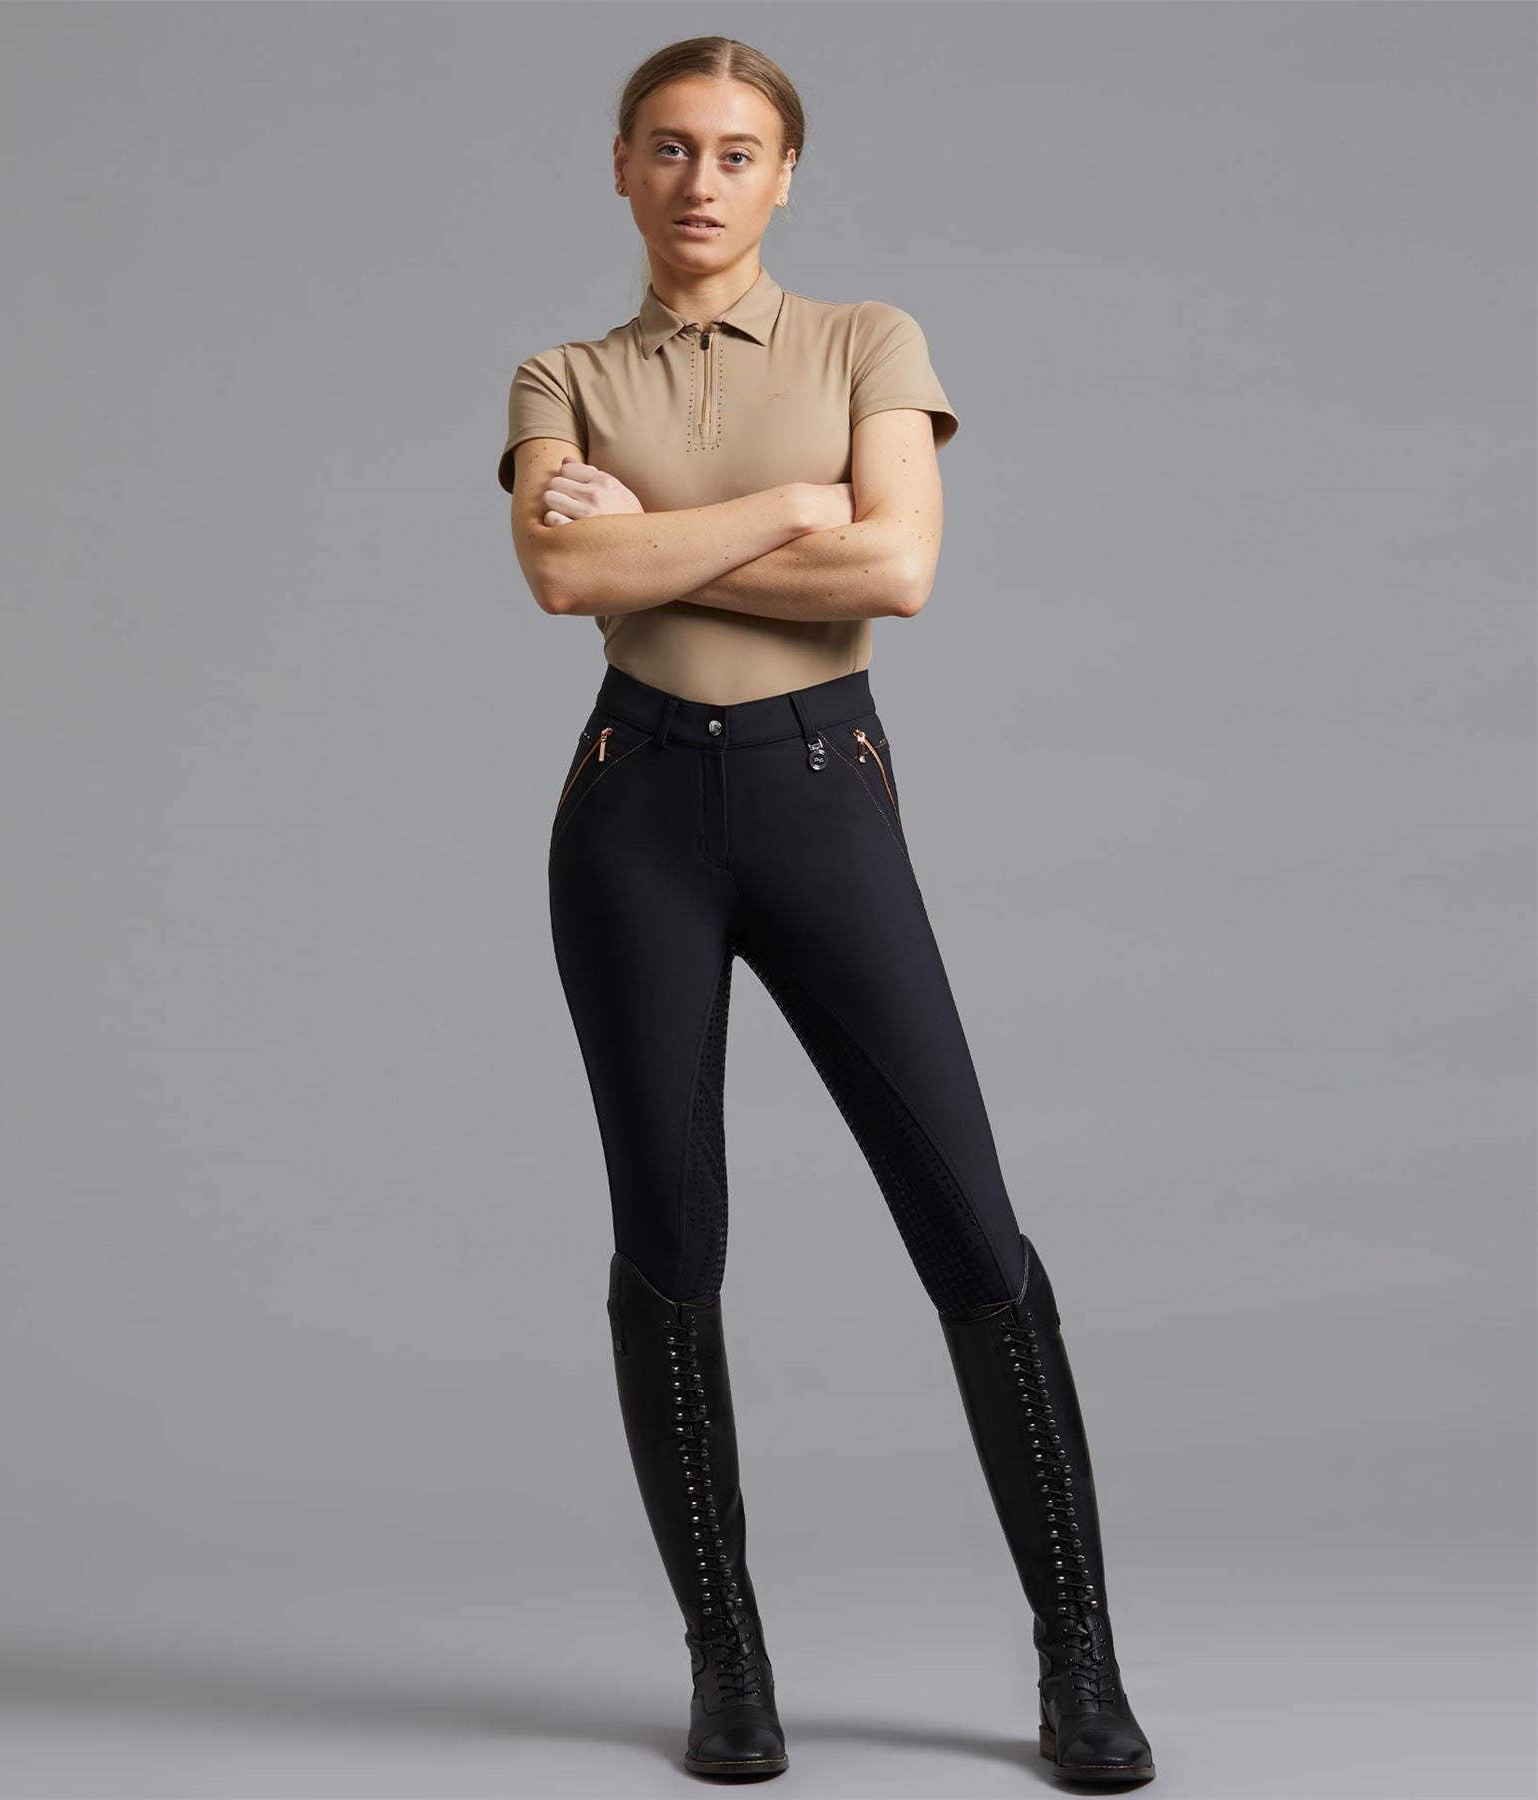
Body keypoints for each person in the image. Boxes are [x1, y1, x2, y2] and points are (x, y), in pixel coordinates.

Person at [499, 34, 1156, 1786]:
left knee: (968, 1224)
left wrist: (687, 524)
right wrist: (801, 508)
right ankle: (727, 1668)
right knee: (668, 1239)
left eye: (737, 151)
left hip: (819, 796)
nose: (700, 180)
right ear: (620, 166)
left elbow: (898, 565)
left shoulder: (871, 342)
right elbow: (563, 571)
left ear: (785, 176)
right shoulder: (562, 375)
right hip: (631, 811)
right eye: (668, 146)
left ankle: (1080, 1665)